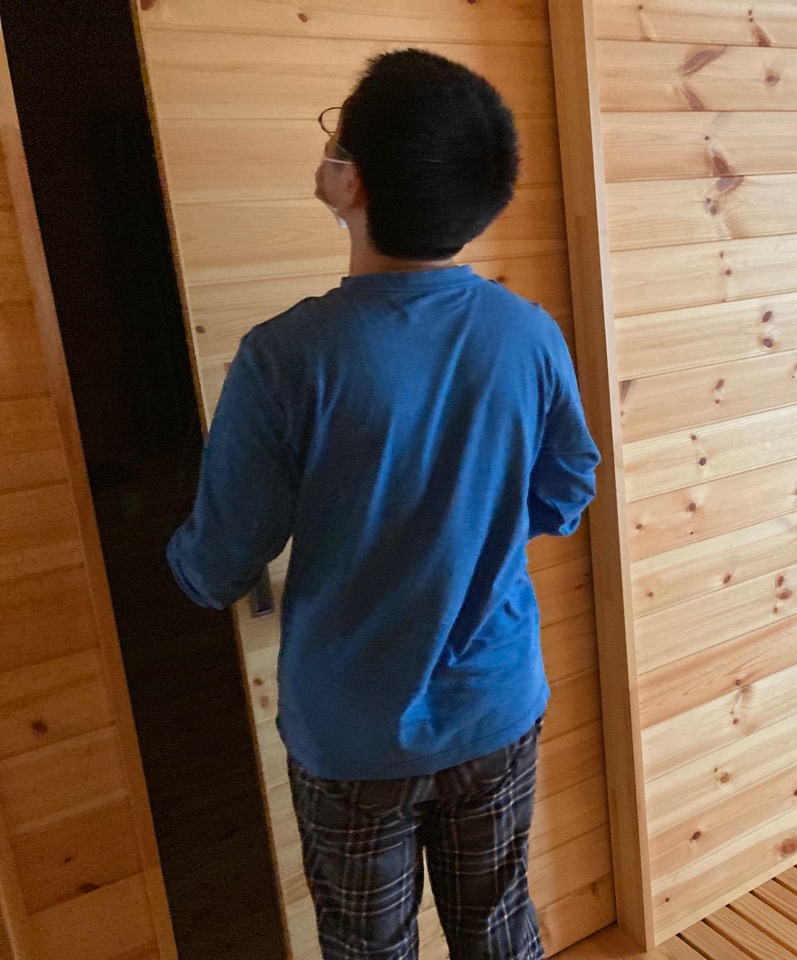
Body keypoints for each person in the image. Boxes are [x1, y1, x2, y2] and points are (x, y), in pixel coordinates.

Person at [166, 49, 599, 960]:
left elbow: (220, 561)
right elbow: (568, 489)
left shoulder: (286, 357)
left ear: (350, 182)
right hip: (494, 705)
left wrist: (184, 566)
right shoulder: (528, 333)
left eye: (336, 135)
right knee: (499, 927)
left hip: (351, 733)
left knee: (367, 948)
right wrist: (471, 530)